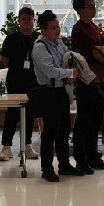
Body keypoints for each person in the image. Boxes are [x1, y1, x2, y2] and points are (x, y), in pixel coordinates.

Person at [31, 10, 79, 182]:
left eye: (58, 26)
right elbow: (50, 71)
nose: (57, 30)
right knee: (50, 132)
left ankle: (64, 165)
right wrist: (70, 73)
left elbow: (67, 59)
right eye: (53, 28)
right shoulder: (39, 47)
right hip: (49, 93)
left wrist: (72, 70)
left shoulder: (59, 43)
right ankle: (47, 169)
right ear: (43, 30)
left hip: (61, 91)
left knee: (64, 130)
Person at [69, 0, 104, 173]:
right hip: (86, 80)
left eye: (94, 6)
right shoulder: (78, 29)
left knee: (96, 119)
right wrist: (101, 50)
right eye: (90, 6)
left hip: (98, 79)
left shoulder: (93, 27)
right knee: (84, 120)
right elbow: (87, 53)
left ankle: (93, 156)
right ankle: (81, 159)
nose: (94, 9)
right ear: (80, 10)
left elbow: (98, 45)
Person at [0, 6, 39, 162]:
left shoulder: (38, 38)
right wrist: (17, 69)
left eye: (29, 19)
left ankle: (27, 145)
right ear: (19, 21)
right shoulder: (11, 38)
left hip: (34, 80)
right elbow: (4, 59)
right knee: (12, 114)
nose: (26, 22)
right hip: (15, 80)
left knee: (30, 114)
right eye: (23, 19)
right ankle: (6, 146)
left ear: (33, 20)